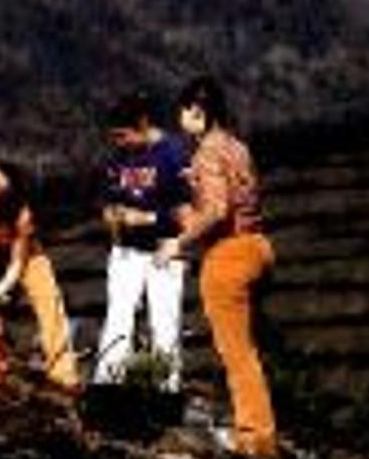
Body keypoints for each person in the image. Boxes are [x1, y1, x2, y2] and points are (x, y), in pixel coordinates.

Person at [158, 76, 278, 457]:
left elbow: (217, 209)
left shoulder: (207, 152)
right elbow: (239, 197)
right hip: (258, 246)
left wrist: (179, 239)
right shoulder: (237, 147)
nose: (181, 120)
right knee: (250, 350)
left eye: (183, 112)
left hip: (228, 255)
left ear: (196, 111)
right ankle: (257, 429)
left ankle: (256, 439)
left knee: (236, 353)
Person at [0, 160, 80, 391]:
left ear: (6, 196)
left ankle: (64, 377)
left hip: (27, 256)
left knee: (49, 302)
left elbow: (17, 263)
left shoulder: (22, 214)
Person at [92, 93, 191, 392]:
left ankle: (167, 390)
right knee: (118, 317)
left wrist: (147, 219)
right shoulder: (118, 157)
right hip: (126, 249)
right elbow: (109, 196)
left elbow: (188, 215)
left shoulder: (173, 154)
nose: (119, 142)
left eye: (124, 135)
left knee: (164, 323)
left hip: (164, 249)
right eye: (114, 137)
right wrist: (111, 215)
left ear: (143, 124)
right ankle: (107, 387)